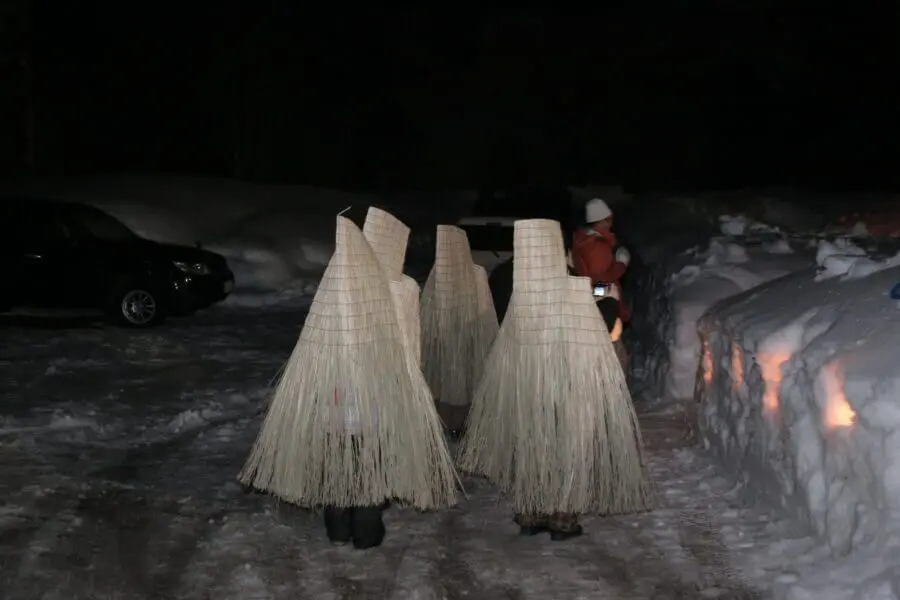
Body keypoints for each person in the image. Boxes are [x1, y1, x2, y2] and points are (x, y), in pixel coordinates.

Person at [460, 219, 649, 542]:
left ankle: (531, 513)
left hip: (525, 381)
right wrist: (607, 305)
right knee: (565, 447)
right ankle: (562, 518)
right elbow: (603, 327)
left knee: (532, 444)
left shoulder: (510, 282)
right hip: (568, 381)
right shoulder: (573, 286)